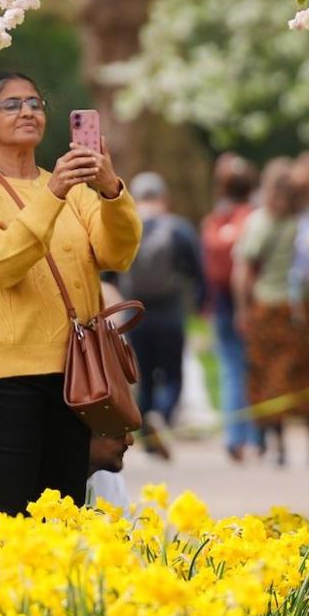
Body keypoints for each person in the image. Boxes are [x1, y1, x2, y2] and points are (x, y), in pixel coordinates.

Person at [0, 72, 139, 515]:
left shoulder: (73, 189)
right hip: (4, 378)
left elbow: (117, 253)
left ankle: (52, 587)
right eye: (11, 105)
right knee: (11, 513)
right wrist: (52, 195)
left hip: (74, 375)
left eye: (34, 102)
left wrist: (109, 191)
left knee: (64, 511)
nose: (27, 111)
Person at [234, 159, 309, 467]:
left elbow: (244, 269)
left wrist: (242, 309)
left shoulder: (261, 222)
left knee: (271, 374)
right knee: (307, 373)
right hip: (308, 306)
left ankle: (277, 448)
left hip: (270, 306)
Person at [118, 172, 205, 458]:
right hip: (170, 312)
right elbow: (196, 270)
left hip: (135, 314)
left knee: (144, 375)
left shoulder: (126, 226)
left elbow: (110, 268)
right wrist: (199, 302)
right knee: (173, 374)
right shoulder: (178, 228)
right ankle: (163, 416)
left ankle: (149, 437)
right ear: (163, 197)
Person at [201, 154, 260, 461]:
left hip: (219, 304)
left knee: (229, 371)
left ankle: (233, 436)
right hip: (248, 303)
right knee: (251, 370)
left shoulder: (214, 220)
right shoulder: (254, 218)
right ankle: (252, 435)